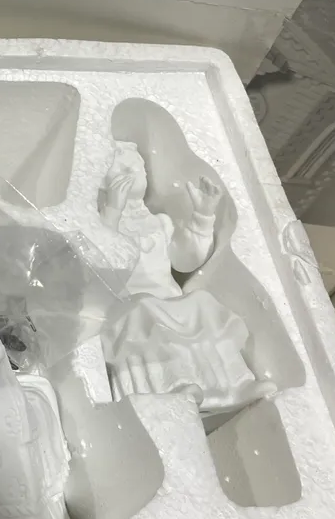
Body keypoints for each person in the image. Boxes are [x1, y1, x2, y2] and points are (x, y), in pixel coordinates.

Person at [98, 142, 275, 413]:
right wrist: (112, 210)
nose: (133, 172)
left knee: (201, 303)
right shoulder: (102, 223)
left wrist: (202, 216)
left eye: (138, 167)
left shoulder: (160, 222)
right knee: (146, 311)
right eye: (122, 169)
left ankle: (233, 384)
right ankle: (173, 385)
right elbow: (97, 261)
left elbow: (185, 259)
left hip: (168, 297)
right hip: (127, 303)